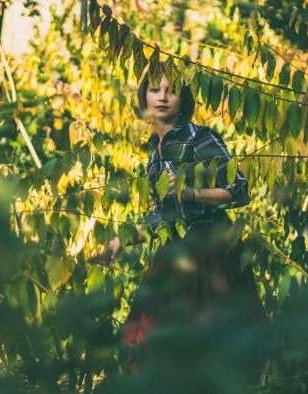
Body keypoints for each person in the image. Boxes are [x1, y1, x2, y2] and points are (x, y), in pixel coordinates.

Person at [104, 71, 269, 374]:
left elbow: (239, 189)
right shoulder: (154, 153)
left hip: (211, 251)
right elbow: (162, 217)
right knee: (156, 342)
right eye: (155, 89)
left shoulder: (199, 136)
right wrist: (121, 240)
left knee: (211, 346)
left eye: (171, 90)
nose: (163, 96)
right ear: (144, 97)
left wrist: (191, 193)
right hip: (174, 253)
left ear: (184, 99)